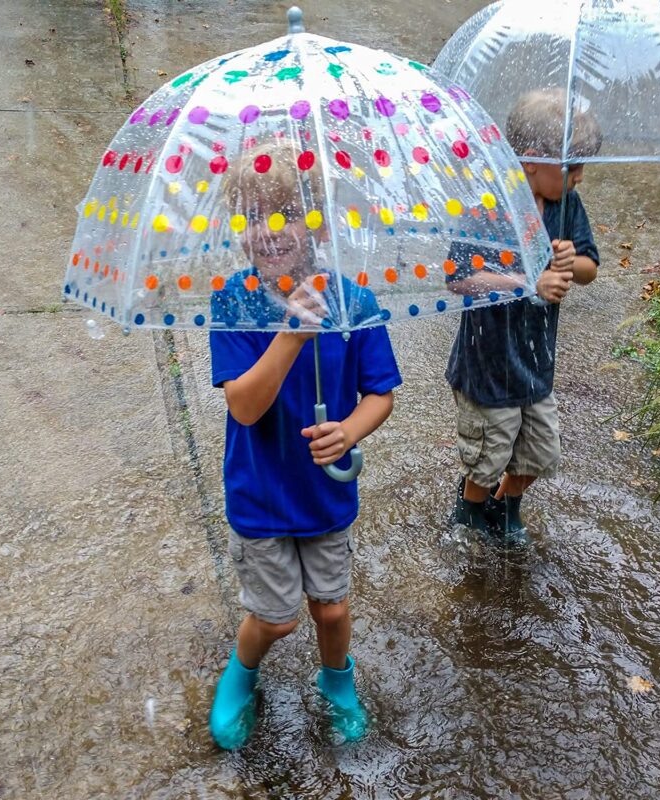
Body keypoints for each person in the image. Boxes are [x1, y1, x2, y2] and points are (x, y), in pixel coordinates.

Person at [207, 143, 402, 749]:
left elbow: (380, 393)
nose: (270, 231)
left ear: (317, 219)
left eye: (287, 212)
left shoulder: (354, 303)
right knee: (276, 616)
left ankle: (337, 678)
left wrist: (351, 430)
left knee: (332, 610)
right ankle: (241, 674)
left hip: (324, 491)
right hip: (261, 491)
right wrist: (291, 335)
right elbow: (244, 405)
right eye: (252, 216)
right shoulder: (233, 303)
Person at [446, 88, 601, 547]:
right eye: (571, 167)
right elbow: (458, 278)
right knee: (488, 452)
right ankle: (471, 507)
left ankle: (505, 501)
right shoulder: (489, 209)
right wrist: (525, 284)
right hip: (488, 363)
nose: (579, 178)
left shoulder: (566, 207)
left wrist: (573, 262)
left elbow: (591, 268)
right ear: (531, 160)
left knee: (538, 452)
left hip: (536, 364)